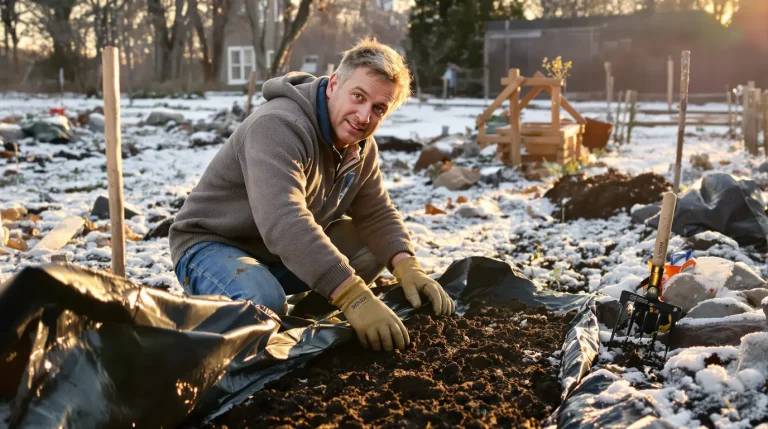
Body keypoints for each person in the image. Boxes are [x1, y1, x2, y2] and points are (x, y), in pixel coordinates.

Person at [169, 38, 455, 353]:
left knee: (374, 246)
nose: (363, 116)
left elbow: (376, 214)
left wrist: (407, 265)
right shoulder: (277, 126)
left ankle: (306, 331)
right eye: (358, 97)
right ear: (334, 84)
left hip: (277, 253)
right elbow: (285, 221)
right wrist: (353, 296)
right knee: (262, 304)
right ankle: (240, 329)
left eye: (378, 109)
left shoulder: (359, 146)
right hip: (213, 247)